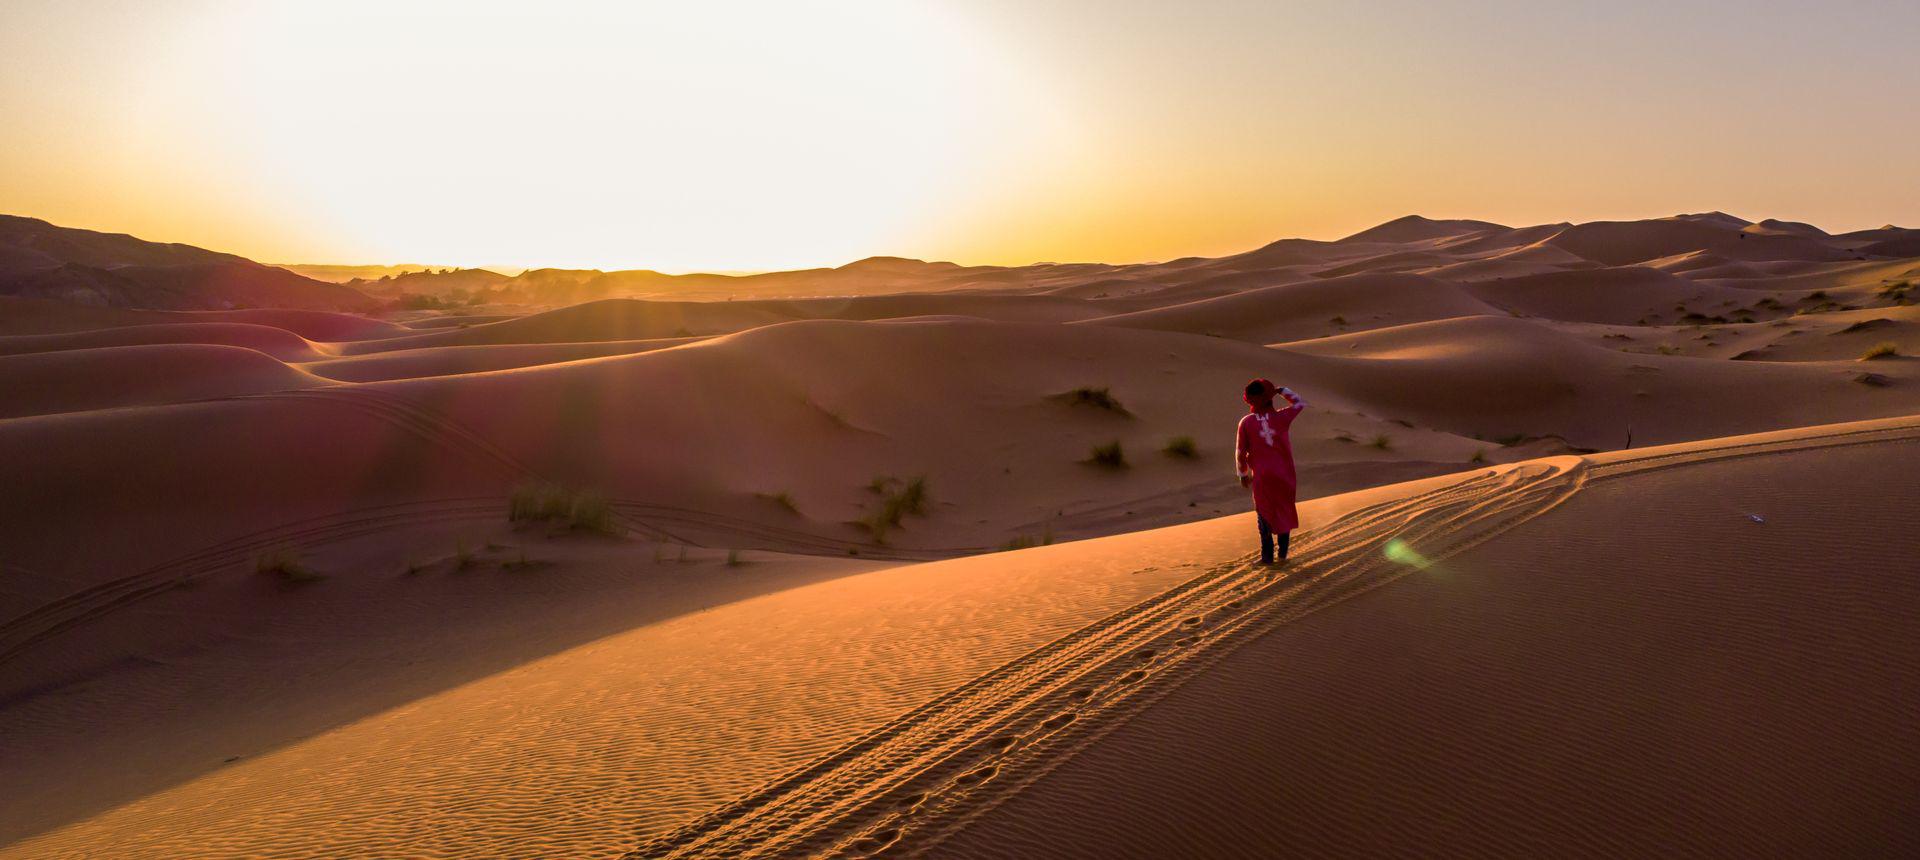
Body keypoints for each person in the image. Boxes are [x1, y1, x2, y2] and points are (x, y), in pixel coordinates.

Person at [1235, 378, 1306, 565]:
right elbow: (1299, 403)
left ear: (1249, 399)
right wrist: (1282, 389)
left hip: (1262, 477)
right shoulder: (1281, 417)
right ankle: (1282, 556)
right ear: (1270, 396)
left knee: (1264, 512)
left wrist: (1243, 474)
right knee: (1284, 510)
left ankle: (1267, 557)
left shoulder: (1246, 422)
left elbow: (1240, 451)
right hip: (1285, 475)